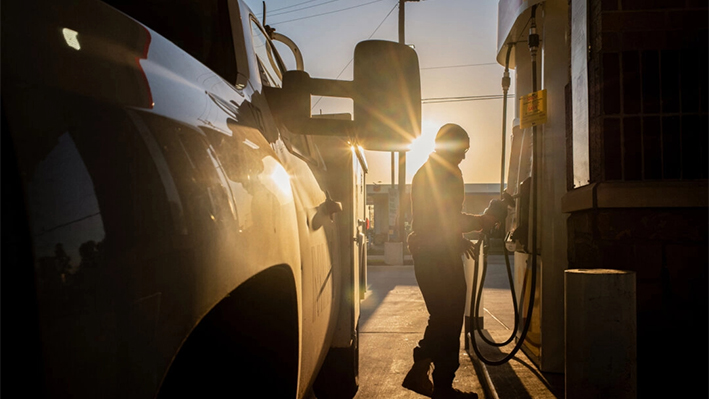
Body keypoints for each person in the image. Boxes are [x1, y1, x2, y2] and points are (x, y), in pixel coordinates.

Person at [402, 123, 507, 399]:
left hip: (432, 253)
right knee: (447, 320)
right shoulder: (443, 173)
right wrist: (480, 222)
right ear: (451, 146)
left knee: (443, 318)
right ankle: (433, 377)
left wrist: (457, 239)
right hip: (437, 258)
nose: (464, 156)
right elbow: (446, 217)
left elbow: (433, 219)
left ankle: (436, 381)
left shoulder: (429, 170)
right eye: (463, 149)